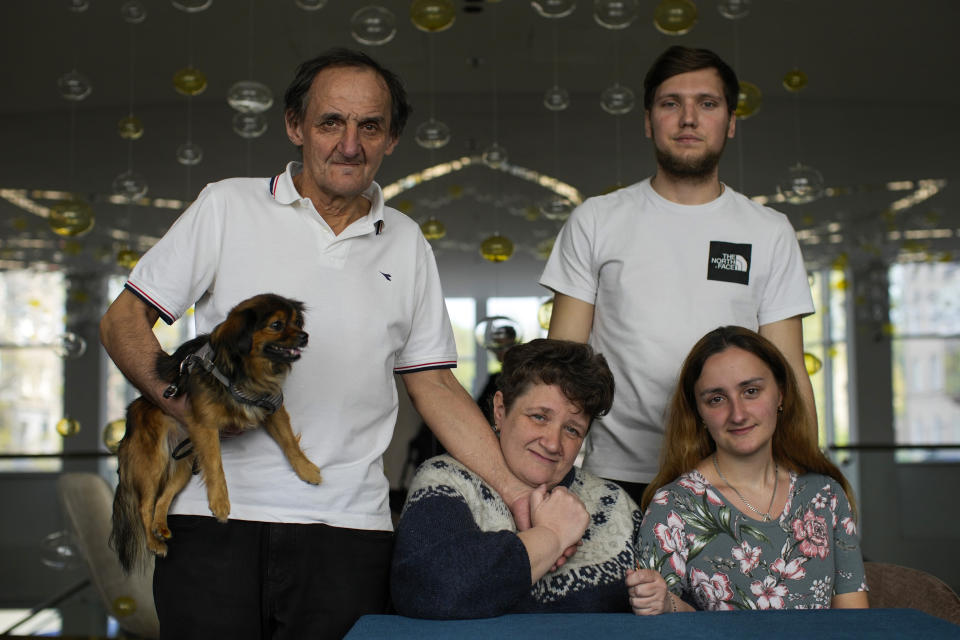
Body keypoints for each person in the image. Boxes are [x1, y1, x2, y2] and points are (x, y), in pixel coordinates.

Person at [100, 48, 535, 640]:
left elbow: (432, 383)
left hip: (350, 533)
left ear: (391, 140)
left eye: (369, 126)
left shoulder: (406, 242)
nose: (349, 144)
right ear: (295, 126)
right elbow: (123, 322)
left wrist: (514, 491)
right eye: (331, 122)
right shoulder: (227, 206)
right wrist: (183, 402)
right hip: (214, 526)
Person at [540, 45, 816, 506]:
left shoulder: (768, 231)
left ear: (730, 122)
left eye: (707, 104)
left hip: (735, 475)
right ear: (649, 121)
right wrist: (548, 474)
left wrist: (805, 481)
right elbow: (563, 366)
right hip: (614, 480)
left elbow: (788, 370)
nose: (689, 118)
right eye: (671, 103)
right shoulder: (596, 220)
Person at [391, 339, 658, 617]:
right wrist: (550, 537)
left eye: (572, 430)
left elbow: (664, 605)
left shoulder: (615, 504)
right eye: (539, 417)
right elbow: (431, 591)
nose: (553, 444)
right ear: (500, 410)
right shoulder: (445, 480)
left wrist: (662, 599)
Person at [628, 326, 868, 613]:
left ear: (780, 394)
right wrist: (665, 604)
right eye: (716, 399)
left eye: (751, 391)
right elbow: (662, 624)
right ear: (699, 413)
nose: (738, 414)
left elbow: (855, 621)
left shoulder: (825, 495)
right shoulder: (674, 507)